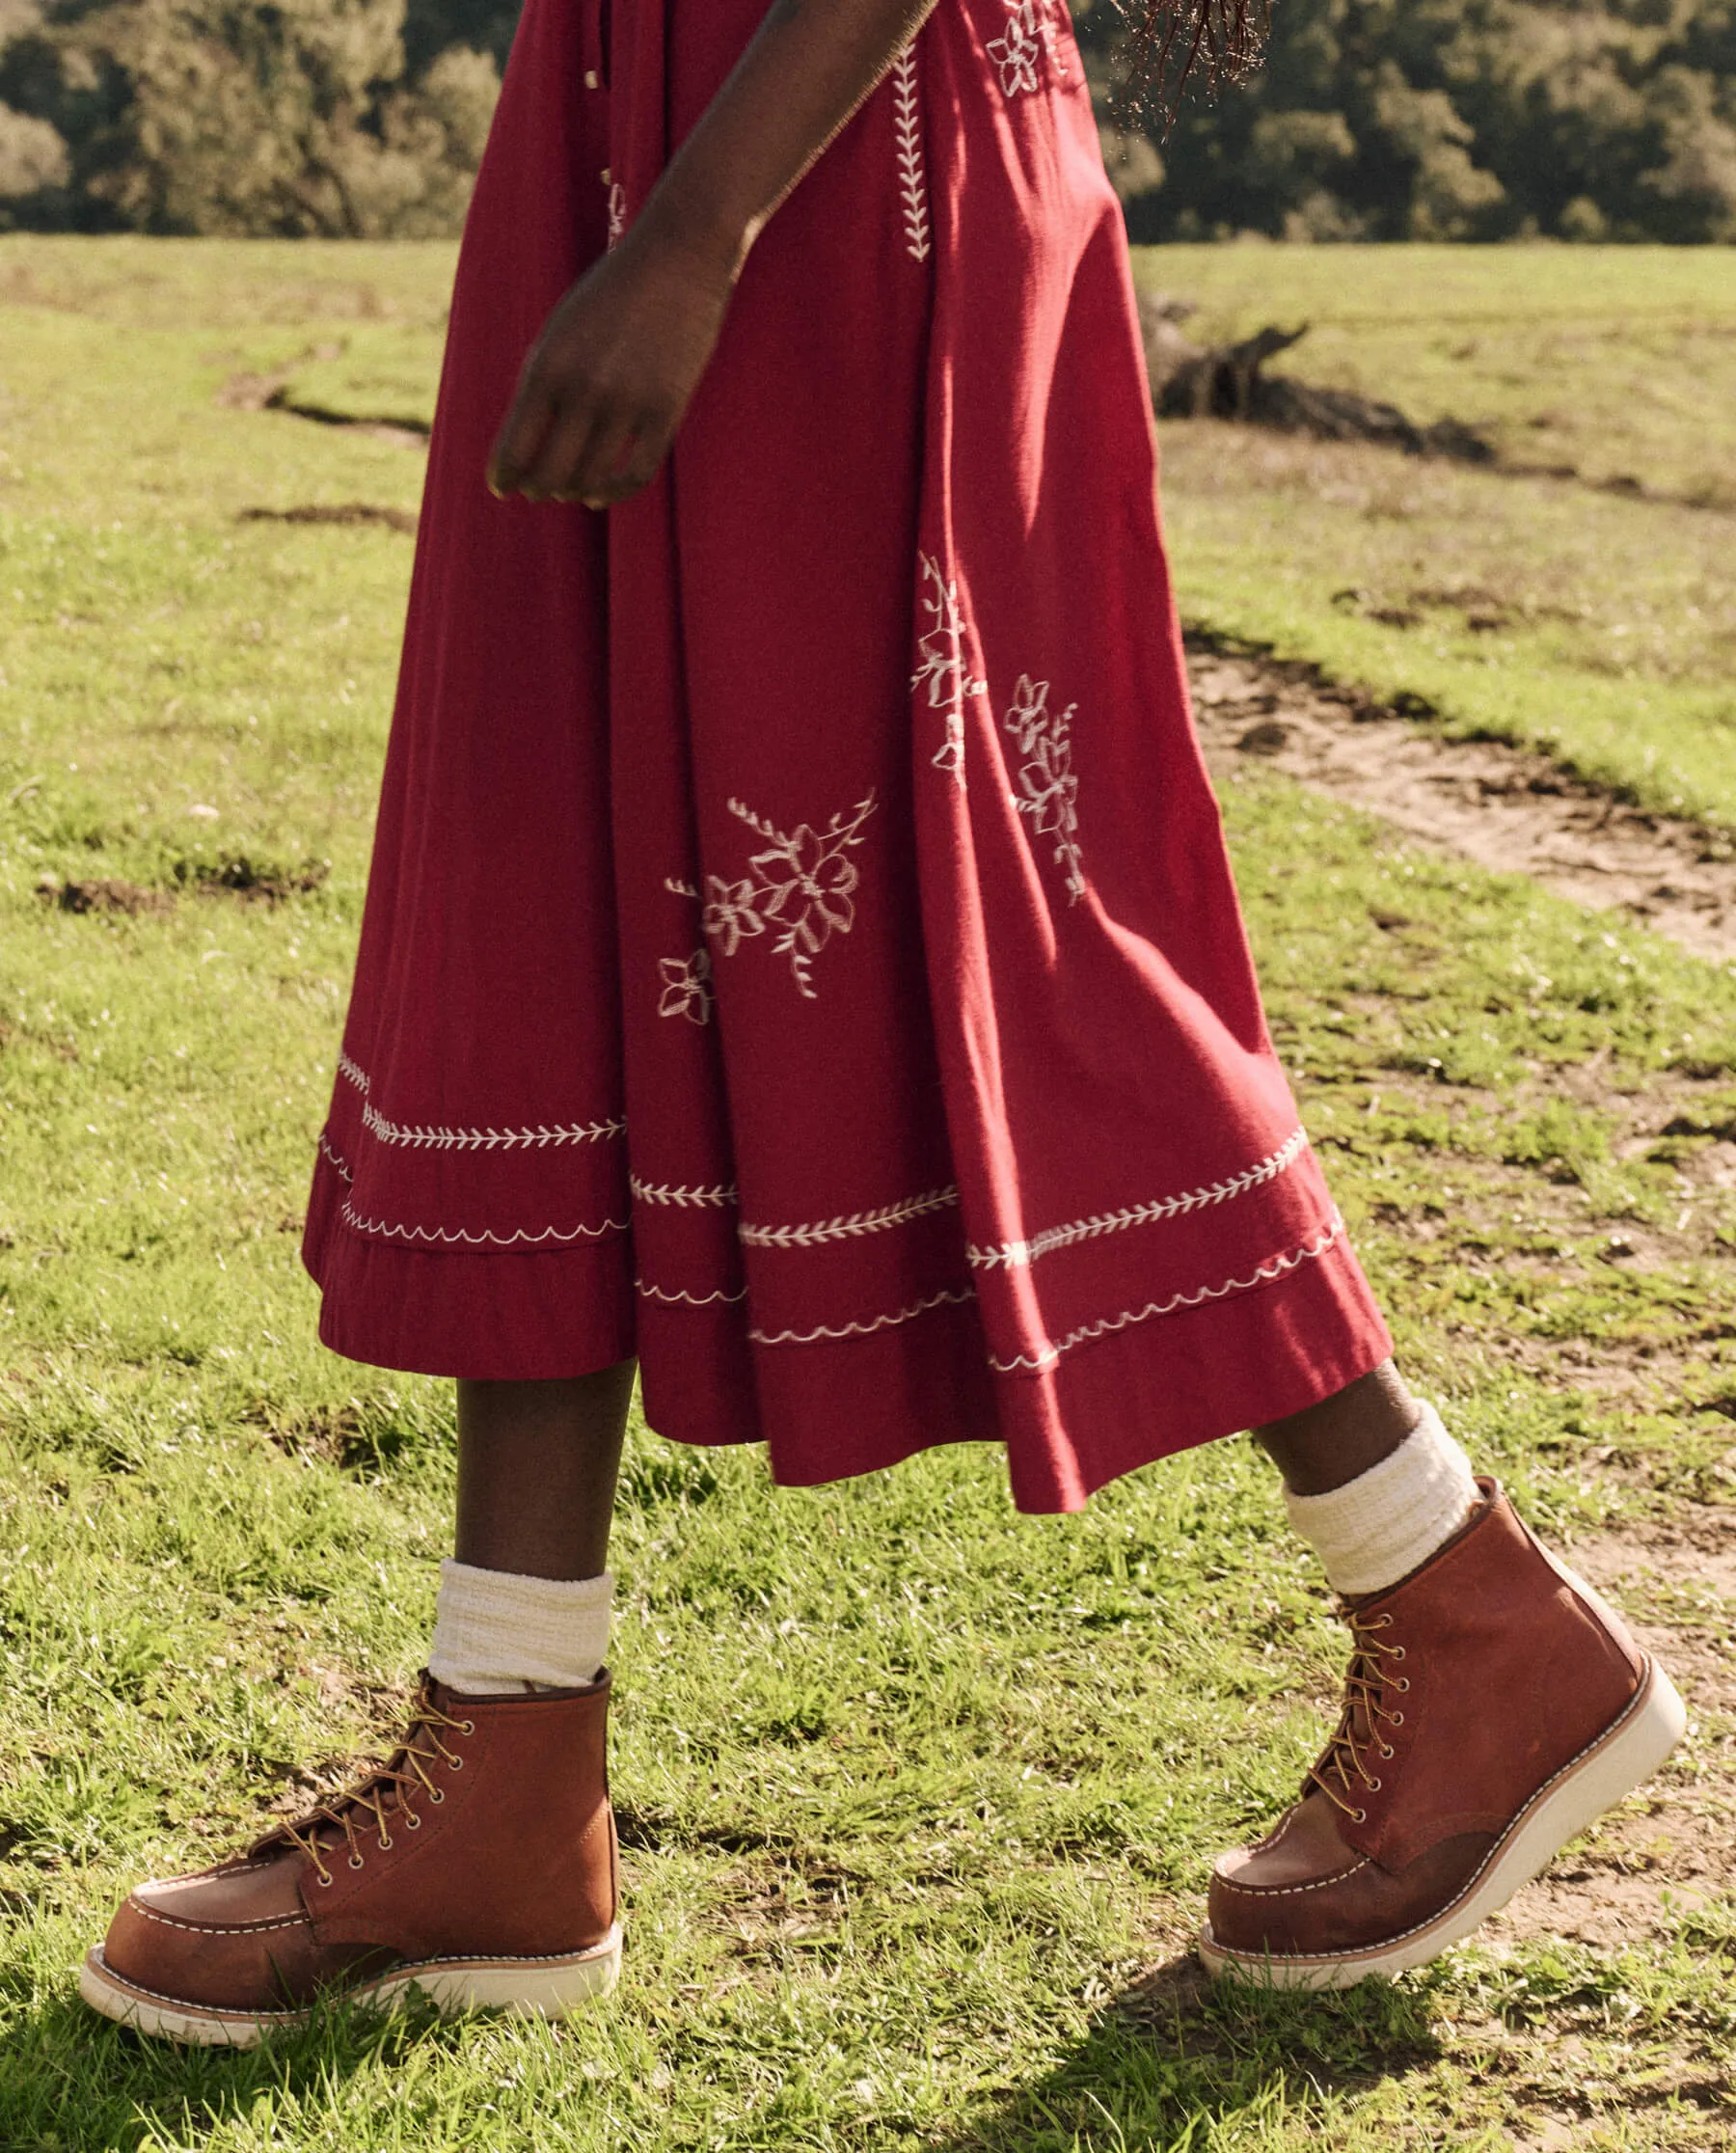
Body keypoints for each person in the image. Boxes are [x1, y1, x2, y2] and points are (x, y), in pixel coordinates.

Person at [79, 0, 1682, 2044]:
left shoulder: (733, 212)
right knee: (556, 880)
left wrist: (698, 230)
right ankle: (506, 1757)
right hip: (660, 127)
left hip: (813, 168)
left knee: (987, 915)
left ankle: (1467, 1610)